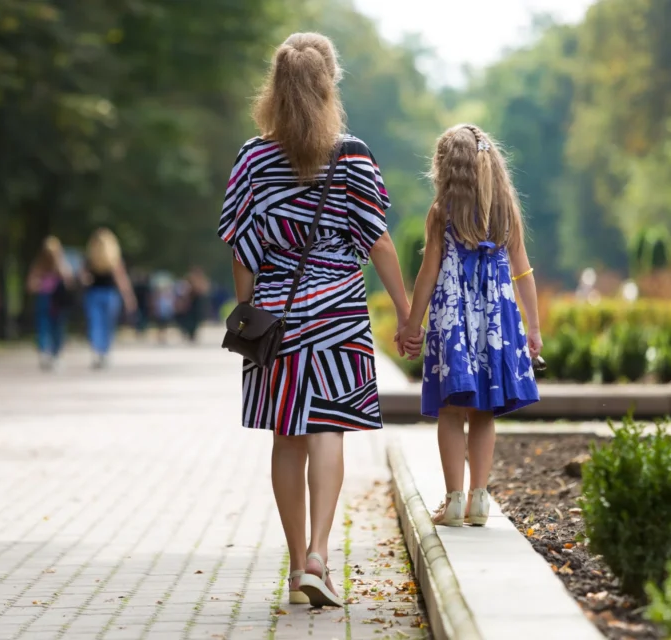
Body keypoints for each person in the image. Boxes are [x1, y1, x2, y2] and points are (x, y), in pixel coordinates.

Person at [218, 33, 412, 608]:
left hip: (275, 314)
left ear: (275, 88)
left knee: (288, 434)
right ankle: (320, 558)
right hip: (339, 315)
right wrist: (406, 311)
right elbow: (377, 241)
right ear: (329, 84)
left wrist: (250, 311)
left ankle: (296, 560)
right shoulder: (351, 154)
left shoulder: (253, 157)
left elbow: (240, 246)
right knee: (328, 427)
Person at [398, 124, 542, 528]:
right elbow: (524, 272)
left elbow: (428, 274)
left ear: (446, 169)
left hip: (452, 321)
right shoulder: (506, 211)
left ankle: (454, 500)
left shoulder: (441, 213)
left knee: (450, 409)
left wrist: (412, 325)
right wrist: (533, 328)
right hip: (497, 322)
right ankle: (481, 498)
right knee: (484, 412)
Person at [81, 228, 137, 368]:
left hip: (94, 294)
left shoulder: (90, 259)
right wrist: (129, 297)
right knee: (107, 325)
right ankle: (104, 352)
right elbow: (121, 279)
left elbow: (83, 277)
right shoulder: (113, 258)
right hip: (110, 295)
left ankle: (98, 351)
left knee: (96, 324)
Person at [26, 236, 75, 371]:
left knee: (58, 327)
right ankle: (45, 353)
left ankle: (55, 354)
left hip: (57, 300)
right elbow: (30, 285)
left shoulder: (61, 264)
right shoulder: (39, 265)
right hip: (44, 298)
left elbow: (69, 280)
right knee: (44, 326)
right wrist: (40, 285)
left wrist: (59, 266)